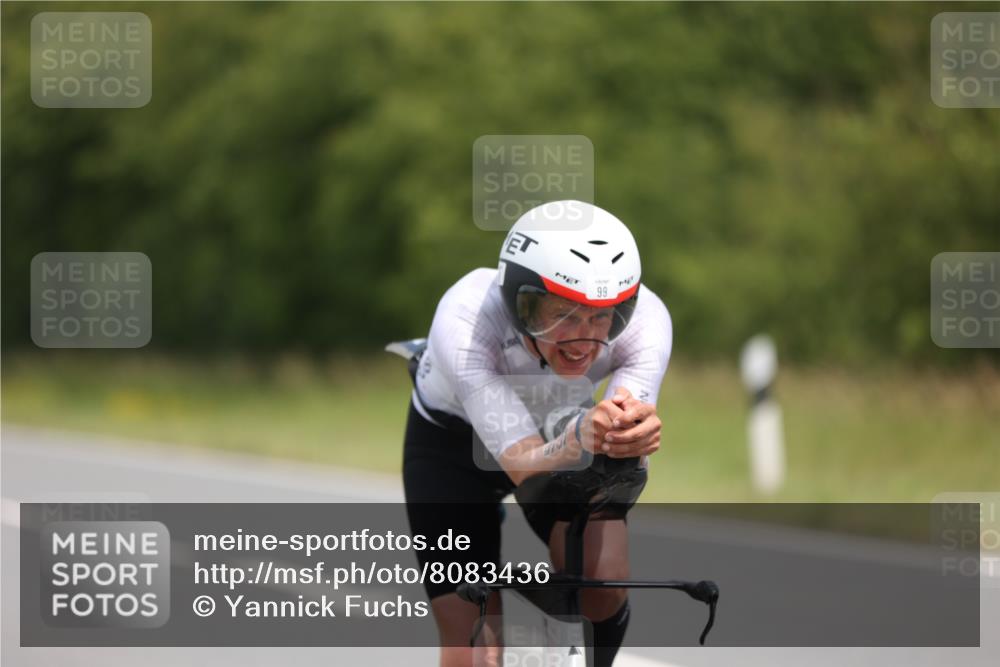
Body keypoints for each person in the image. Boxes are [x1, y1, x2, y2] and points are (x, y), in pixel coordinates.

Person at [402, 200, 673, 667]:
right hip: (453, 443)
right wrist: (579, 440)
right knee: (475, 648)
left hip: (560, 425)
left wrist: (628, 437)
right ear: (519, 302)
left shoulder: (648, 320)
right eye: (562, 313)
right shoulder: (467, 318)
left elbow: (619, 437)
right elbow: (521, 462)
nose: (583, 339)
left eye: (601, 316)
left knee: (602, 579)